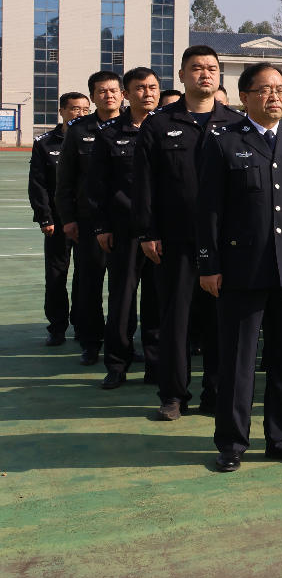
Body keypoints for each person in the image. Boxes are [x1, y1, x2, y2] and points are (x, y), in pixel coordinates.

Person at [197, 63, 282, 472]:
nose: (275, 95)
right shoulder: (222, 141)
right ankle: (232, 442)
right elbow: (208, 210)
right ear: (245, 96)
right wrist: (209, 263)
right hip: (241, 267)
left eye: (281, 89)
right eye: (265, 89)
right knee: (238, 360)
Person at [132, 45, 245, 420]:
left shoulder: (234, 124)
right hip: (175, 240)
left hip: (225, 242)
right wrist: (147, 231)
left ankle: (215, 392)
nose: (205, 74)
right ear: (181, 75)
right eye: (196, 68)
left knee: (220, 322)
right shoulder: (159, 124)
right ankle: (174, 395)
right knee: (175, 320)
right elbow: (144, 183)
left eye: (212, 68)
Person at [88, 67, 162, 389]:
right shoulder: (109, 134)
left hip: (163, 230)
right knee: (122, 299)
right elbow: (98, 185)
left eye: (153, 87)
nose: (148, 93)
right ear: (127, 94)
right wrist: (102, 225)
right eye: (140, 88)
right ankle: (117, 364)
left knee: (158, 299)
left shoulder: (170, 128)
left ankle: (156, 365)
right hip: (125, 229)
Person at [54, 71, 124, 366]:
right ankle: (91, 342)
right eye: (101, 91)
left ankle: (123, 344)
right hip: (88, 221)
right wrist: (68, 218)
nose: (108, 96)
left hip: (126, 221)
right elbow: (65, 179)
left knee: (125, 287)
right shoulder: (79, 129)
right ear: (93, 96)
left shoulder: (136, 126)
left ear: (122, 94)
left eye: (113, 90)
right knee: (90, 284)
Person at [29, 91, 90, 346]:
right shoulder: (45, 143)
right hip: (57, 221)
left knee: (85, 276)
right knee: (56, 275)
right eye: (75, 109)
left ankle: (81, 323)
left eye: (85, 109)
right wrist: (45, 217)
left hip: (86, 221)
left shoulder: (93, 139)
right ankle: (57, 326)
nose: (80, 114)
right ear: (62, 111)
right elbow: (38, 184)